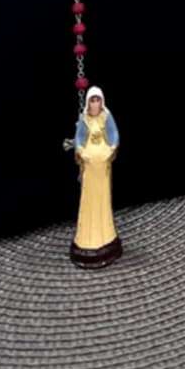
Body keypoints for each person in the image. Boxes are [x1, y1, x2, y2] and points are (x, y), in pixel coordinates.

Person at [70, 84, 122, 265]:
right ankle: (87, 237)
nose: (95, 103)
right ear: (87, 103)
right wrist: (81, 151)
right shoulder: (84, 119)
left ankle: (105, 235)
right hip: (90, 165)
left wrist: (111, 148)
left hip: (102, 164)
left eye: (97, 100)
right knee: (89, 199)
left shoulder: (106, 117)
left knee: (102, 198)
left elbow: (114, 135)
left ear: (102, 102)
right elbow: (78, 138)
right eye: (92, 100)